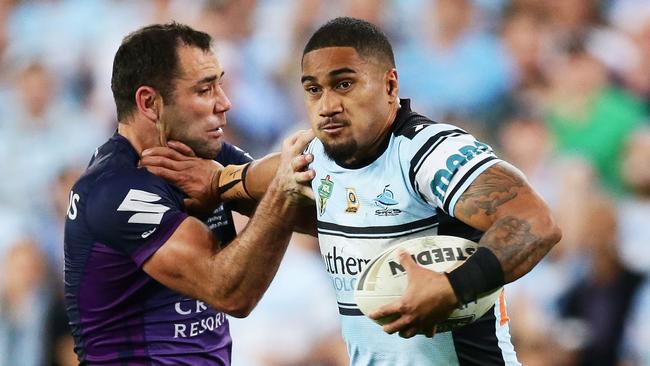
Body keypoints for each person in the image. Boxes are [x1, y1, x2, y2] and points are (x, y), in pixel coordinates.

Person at [142, 17, 562, 366]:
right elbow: (260, 178)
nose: (327, 105)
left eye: (343, 85)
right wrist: (217, 181)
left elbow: (535, 223)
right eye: (313, 89)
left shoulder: (429, 153)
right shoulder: (319, 158)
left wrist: (452, 288)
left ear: (390, 86)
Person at [63, 23, 315, 365]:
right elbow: (229, 291)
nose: (225, 103)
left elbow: (316, 216)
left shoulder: (207, 156)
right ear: (150, 102)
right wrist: (281, 189)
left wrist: (229, 180)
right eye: (204, 89)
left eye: (220, 84)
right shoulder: (113, 189)